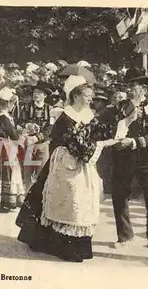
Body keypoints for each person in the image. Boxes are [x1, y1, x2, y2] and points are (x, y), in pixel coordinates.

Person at [16, 78, 132, 262]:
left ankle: (78, 246)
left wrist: (117, 123)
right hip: (66, 163)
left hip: (81, 164)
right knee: (68, 202)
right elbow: (78, 146)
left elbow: (97, 132)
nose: (90, 99)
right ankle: (61, 247)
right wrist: (101, 143)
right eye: (87, 96)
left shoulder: (86, 114)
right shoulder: (66, 116)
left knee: (82, 203)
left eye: (91, 96)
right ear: (76, 95)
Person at [110, 67, 148, 264]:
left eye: (134, 86)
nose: (131, 89)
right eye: (129, 86)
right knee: (119, 195)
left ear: (143, 88)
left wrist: (135, 142)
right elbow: (113, 126)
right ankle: (125, 235)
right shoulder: (121, 106)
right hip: (124, 158)